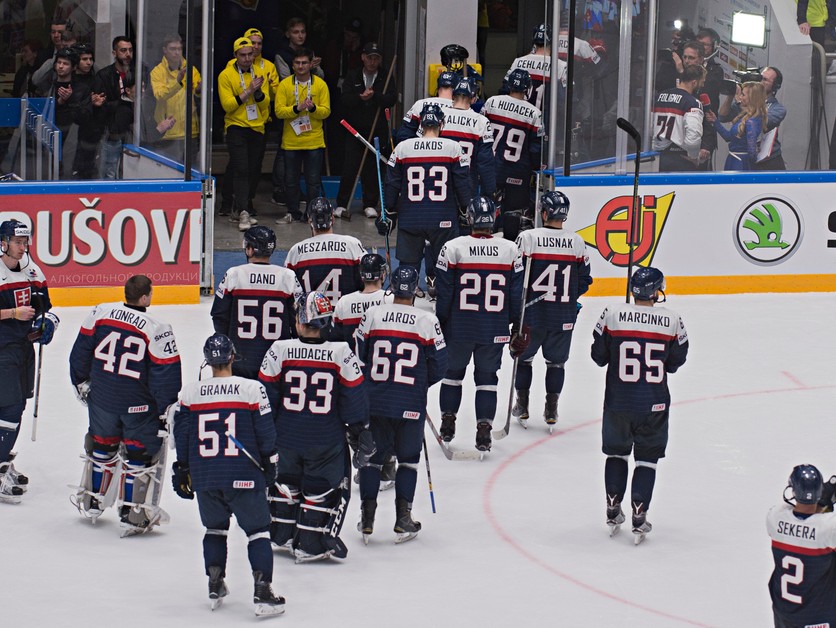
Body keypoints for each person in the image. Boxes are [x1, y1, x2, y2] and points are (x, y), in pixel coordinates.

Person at [171, 333, 285, 617]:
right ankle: (262, 592)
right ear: (232, 357)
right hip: (243, 473)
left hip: (207, 475)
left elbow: (182, 434)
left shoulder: (190, 393)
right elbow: (266, 432)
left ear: (208, 361)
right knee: (258, 531)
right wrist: (271, 462)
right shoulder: (252, 389)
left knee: (215, 529)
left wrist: (182, 467)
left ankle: (215, 582)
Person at [258, 291, 370, 563]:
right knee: (322, 489)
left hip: (286, 435)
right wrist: (359, 431)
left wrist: (263, 435)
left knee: (285, 484)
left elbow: (265, 399)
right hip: (325, 438)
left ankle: (282, 534)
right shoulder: (341, 352)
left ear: (300, 321)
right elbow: (353, 398)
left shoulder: (279, 349)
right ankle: (311, 543)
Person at [69, 275, 182, 535]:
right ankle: (134, 512)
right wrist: (166, 411)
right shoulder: (157, 327)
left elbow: (81, 350)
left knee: (101, 444)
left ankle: (91, 499)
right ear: (145, 297)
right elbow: (165, 375)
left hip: (102, 399)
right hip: (137, 406)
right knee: (139, 453)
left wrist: (80, 381)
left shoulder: (100, 312)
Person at [590, 266, 689, 544]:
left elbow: (598, 356)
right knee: (647, 458)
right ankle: (639, 512)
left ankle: (612, 505)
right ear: (655, 292)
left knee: (616, 454)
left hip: (618, 401)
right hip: (653, 404)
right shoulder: (672, 320)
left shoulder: (612, 314)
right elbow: (675, 362)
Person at [355, 265, 448, 543]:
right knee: (408, 461)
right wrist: (418, 386)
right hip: (410, 402)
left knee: (371, 461)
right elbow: (440, 365)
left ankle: (368, 519)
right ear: (415, 290)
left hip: (376, 400)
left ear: (392, 286)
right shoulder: (427, 320)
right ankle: (403, 520)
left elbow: (360, 355)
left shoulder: (372, 314)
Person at [435, 196, 523, 453]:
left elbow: (445, 291)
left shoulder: (453, 247)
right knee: (487, 379)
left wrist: (441, 322)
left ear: (470, 219)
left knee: (452, 376)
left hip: (459, 327)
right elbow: (516, 294)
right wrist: (516, 325)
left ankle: (448, 422)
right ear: (493, 218)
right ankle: (484, 429)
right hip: (493, 327)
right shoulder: (510, 249)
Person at [510, 191, 592, 431]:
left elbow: (515, 276)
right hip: (563, 315)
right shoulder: (576, 242)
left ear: (544, 213)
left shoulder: (528, 238)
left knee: (524, 360)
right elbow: (585, 280)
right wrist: (566, 299)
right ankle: (551, 410)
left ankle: (522, 405)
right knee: (556, 364)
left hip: (531, 315)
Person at [382, 103, 471, 296]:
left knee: (407, 268)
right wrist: (465, 211)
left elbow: (392, 184)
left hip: (411, 218)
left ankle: (405, 306)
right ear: (442, 123)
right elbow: (462, 185)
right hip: (443, 217)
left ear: (421, 124)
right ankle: (444, 311)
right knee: (448, 268)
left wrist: (389, 212)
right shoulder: (453, 148)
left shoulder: (402, 148)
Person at [0, 220, 58, 504]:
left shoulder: (33, 271)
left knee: (17, 405)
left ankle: (2, 462)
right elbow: (16, 313)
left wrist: (47, 324)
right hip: (1, 350)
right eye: (17, 242)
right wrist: (11, 313)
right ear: (3, 242)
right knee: (9, 408)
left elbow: (45, 309)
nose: (23, 247)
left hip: (23, 349)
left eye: (25, 242)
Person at [211, 226, 302, 380]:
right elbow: (298, 319)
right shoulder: (287, 276)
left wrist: (228, 345)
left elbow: (219, 315)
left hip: (241, 359)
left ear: (250, 250)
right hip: (277, 359)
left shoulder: (234, 274)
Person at [767, 464, 836, 627]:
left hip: (784, 615)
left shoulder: (775, 517)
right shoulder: (830, 528)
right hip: (819, 619)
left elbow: (804, 523)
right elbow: (818, 527)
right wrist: (825, 501)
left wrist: (821, 502)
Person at [334, 42, 397, 220]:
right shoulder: (353, 75)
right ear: (363, 57)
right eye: (370, 57)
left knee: (372, 167)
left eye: (376, 58)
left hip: (376, 130)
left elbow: (391, 98)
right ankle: (342, 204)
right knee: (350, 167)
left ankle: (370, 204)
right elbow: (344, 99)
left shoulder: (385, 76)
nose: (372, 61)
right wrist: (360, 98)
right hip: (354, 130)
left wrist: (375, 96)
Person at [482, 68, 544, 240]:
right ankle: (508, 248)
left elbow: (481, 133)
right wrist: (534, 167)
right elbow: (535, 148)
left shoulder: (492, 102)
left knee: (487, 208)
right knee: (513, 212)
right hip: (517, 169)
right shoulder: (534, 113)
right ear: (527, 88)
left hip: (492, 167)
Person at [217, 36, 271, 231]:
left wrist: (258, 93)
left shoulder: (259, 72)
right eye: (243, 55)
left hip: (257, 126)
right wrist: (248, 91)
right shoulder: (226, 75)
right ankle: (243, 212)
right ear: (235, 56)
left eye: (250, 54)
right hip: (236, 126)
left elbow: (266, 104)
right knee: (241, 168)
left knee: (253, 168)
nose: (247, 58)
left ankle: (242, 206)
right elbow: (228, 105)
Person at [274, 48, 331, 224]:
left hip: (314, 141)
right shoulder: (285, 85)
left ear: (310, 64)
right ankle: (292, 211)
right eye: (297, 63)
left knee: (312, 181)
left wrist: (312, 108)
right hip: (291, 142)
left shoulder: (320, 85)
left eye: (304, 63)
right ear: (292, 65)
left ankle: (311, 213)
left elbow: (326, 112)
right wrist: (296, 109)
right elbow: (278, 112)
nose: (300, 66)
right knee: (290, 181)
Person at [272, 17, 324, 207]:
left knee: (311, 174)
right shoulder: (281, 54)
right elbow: (287, 79)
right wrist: (306, 69)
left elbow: (321, 78)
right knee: (282, 154)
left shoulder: (309, 53)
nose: (300, 35)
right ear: (288, 34)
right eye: (296, 32)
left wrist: (315, 68)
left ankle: (310, 206)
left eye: (303, 31)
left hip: (310, 122)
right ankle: (279, 189)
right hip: (289, 111)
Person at [285, 197, 365, 305]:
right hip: (345, 316)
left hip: (310, 319)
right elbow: (368, 282)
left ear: (309, 219)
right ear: (333, 218)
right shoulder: (352, 244)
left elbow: (288, 290)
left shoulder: (296, 251)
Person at [722, 67, 787, 171]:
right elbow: (723, 117)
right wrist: (731, 96)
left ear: (775, 86)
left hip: (769, 162)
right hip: (746, 158)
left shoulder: (778, 109)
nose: (761, 82)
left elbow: (760, 122)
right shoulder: (744, 103)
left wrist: (742, 102)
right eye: (760, 78)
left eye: (765, 80)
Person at [441, 79, 496, 202]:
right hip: (466, 184)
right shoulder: (481, 121)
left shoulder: (439, 115)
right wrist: (491, 191)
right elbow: (485, 162)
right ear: (473, 98)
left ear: (453, 96)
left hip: (439, 181)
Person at [149, 34, 201, 163]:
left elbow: (197, 96)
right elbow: (159, 95)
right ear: (164, 50)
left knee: (191, 171)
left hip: (189, 131)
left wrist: (199, 91)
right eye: (173, 49)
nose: (177, 52)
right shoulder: (156, 72)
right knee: (168, 173)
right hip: (167, 132)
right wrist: (177, 82)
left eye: (179, 48)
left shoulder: (191, 70)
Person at [91, 36, 135, 180]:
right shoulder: (104, 75)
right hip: (112, 132)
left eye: (130, 50)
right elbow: (101, 106)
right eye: (123, 50)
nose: (127, 54)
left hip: (134, 132)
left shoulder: (138, 72)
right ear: (114, 53)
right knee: (109, 171)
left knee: (132, 171)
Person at [331, 253, 392, 352]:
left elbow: (336, 338)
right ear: (382, 274)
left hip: (350, 364)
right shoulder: (390, 299)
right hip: (379, 365)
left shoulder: (344, 302)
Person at [501, 23, 567, 114]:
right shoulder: (561, 66)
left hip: (520, 118)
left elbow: (504, 91)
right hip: (547, 120)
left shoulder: (518, 62)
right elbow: (565, 100)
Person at [650, 64, 705, 172]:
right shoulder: (692, 103)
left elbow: (649, 127)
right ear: (694, 82)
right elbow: (693, 137)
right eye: (702, 82)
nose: (702, 85)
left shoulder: (658, 97)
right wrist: (694, 157)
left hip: (657, 157)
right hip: (681, 159)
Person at [706, 81, 765, 172]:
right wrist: (715, 122)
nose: (740, 97)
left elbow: (752, 152)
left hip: (741, 163)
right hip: (734, 159)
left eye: (743, 94)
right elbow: (729, 137)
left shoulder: (751, 121)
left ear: (752, 98)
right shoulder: (744, 117)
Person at [679, 41, 715, 170]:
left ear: (700, 59)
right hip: (677, 144)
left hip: (700, 143)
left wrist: (706, 145)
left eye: (691, 58)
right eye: (685, 57)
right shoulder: (677, 74)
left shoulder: (707, 81)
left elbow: (709, 116)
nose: (687, 61)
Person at [394, 71, 456, 144]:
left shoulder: (420, 104)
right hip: (445, 153)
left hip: (418, 152)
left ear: (438, 88)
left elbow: (403, 136)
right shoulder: (458, 110)